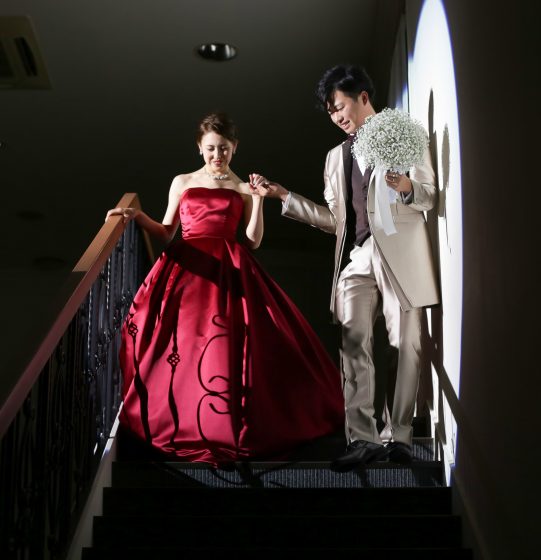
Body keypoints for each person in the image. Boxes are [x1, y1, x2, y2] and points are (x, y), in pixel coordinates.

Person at [105, 112, 344, 466]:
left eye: (224, 149)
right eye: (211, 148)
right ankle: (180, 421)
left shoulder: (243, 188)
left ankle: (220, 424)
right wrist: (137, 217)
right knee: (182, 345)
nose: (217, 155)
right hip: (188, 267)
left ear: (235, 148)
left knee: (224, 348)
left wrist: (258, 200)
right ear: (200, 148)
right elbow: (167, 232)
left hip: (230, 268)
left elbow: (252, 241)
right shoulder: (182, 181)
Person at [251, 65, 440, 471]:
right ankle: (362, 439)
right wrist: (284, 197)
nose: (336, 117)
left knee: (405, 343)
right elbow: (335, 220)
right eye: (331, 112)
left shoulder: (404, 133)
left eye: (339, 107)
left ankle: (399, 435)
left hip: (399, 254)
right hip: (356, 257)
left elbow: (428, 195)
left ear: (363, 98)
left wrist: (407, 187)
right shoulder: (335, 158)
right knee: (354, 345)